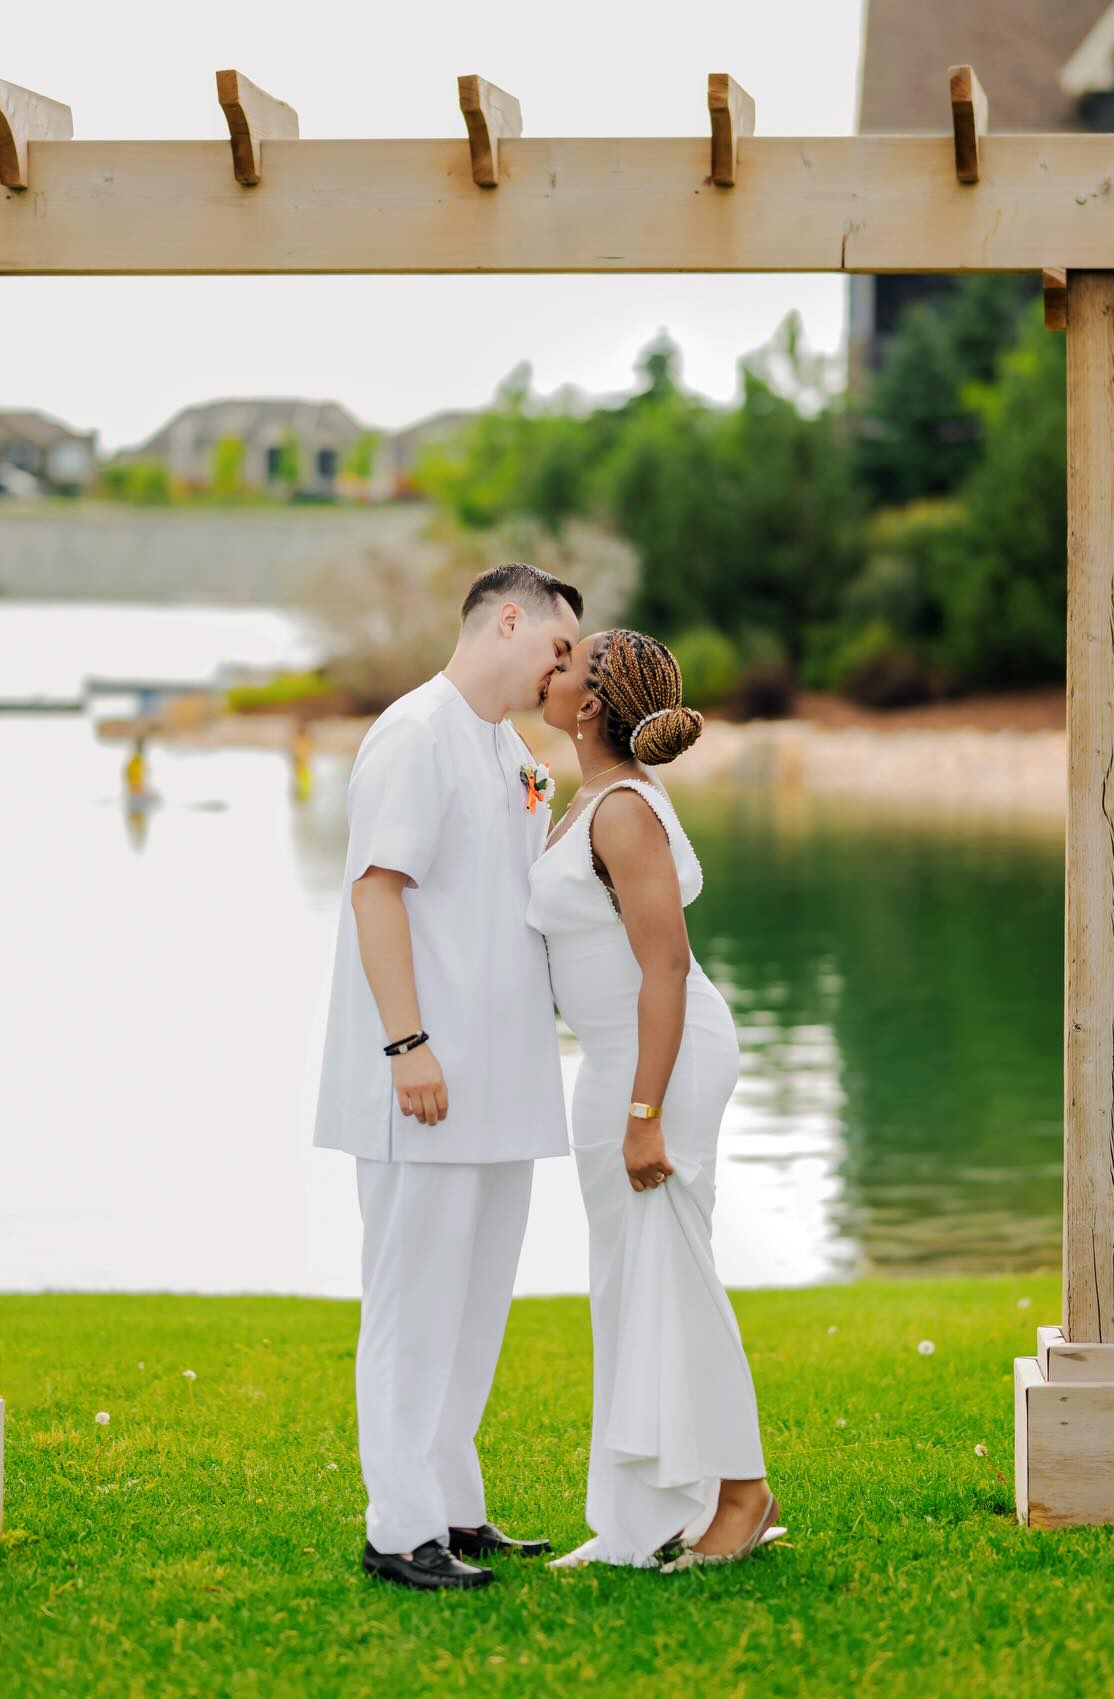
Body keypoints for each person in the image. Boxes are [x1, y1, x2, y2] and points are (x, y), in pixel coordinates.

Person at [314, 563, 584, 1591]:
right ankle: (398, 1529)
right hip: (424, 1076)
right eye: (555, 647)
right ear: (506, 619)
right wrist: (406, 1042)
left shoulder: (509, 751)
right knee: (412, 1305)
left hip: (501, 1081)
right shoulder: (415, 733)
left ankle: (455, 1508)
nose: (560, 671)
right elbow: (376, 891)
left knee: (473, 1308)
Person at [527, 627, 780, 1572]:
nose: (545, 674)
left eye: (562, 665)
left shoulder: (623, 809)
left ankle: (744, 1492)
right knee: (629, 1284)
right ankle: (638, 1517)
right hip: (614, 1057)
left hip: (659, 1062)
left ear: (590, 704)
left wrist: (645, 1114)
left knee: (671, 1269)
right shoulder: (587, 796)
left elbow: (666, 964)